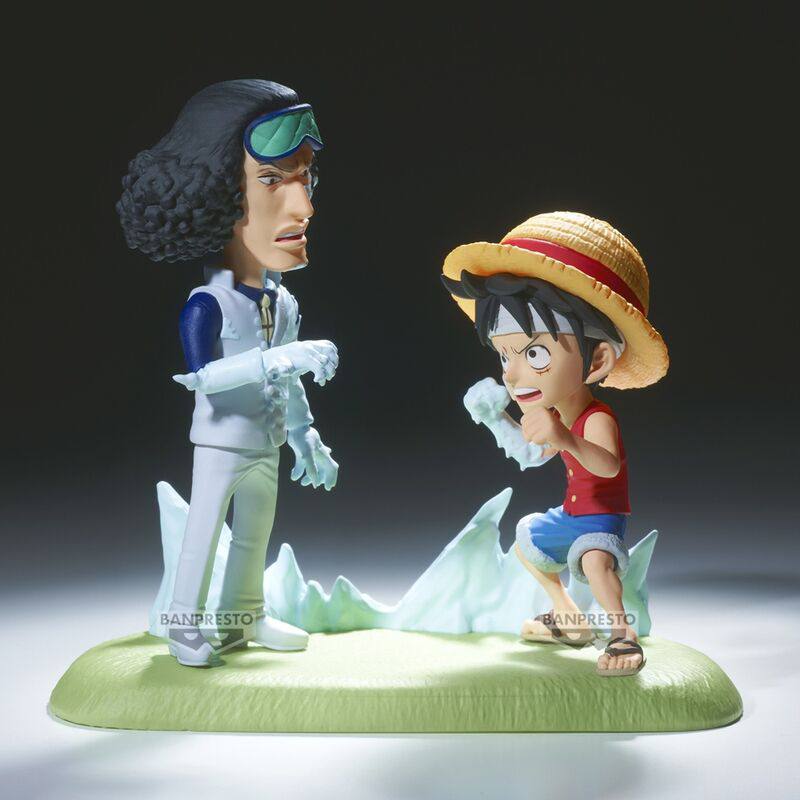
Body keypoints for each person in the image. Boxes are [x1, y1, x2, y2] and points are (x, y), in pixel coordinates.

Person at [117, 80, 339, 666]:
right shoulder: (206, 305)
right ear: (220, 193)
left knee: (254, 536)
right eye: (271, 179)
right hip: (220, 444)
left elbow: (288, 381)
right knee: (204, 533)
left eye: (306, 178)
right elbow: (203, 379)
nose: (304, 207)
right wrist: (280, 358)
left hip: (267, 442)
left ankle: (242, 616)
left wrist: (305, 436)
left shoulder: (283, 302)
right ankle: (184, 626)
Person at [441, 211, 669, 677]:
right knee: (527, 542)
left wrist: (564, 436)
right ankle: (568, 615)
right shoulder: (556, 416)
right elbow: (531, 454)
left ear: (597, 360)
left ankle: (623, 637)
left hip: (600, 520)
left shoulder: (595, 418)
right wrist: (495, 419)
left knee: (596, 564)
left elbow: (607, 466)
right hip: (570, 516)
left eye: (535, 353)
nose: (512, 374)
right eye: (504, 355)